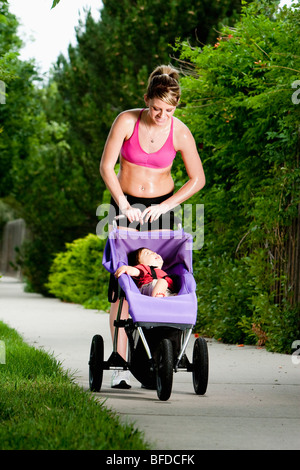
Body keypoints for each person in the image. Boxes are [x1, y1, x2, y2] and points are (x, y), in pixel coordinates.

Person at [100, 64, 205, 388]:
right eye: (156, 108)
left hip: (163, 208)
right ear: (146, 100)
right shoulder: (127, 121)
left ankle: (162, 351)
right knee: (123, 282)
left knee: (165, 277)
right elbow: (107, 166)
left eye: (168, 110)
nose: (161, 116)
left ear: (176, 107)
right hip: (126, 205)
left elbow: (198, 178)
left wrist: (165, 206)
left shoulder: (180, 132)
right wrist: (124, 204)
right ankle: (119, 365)